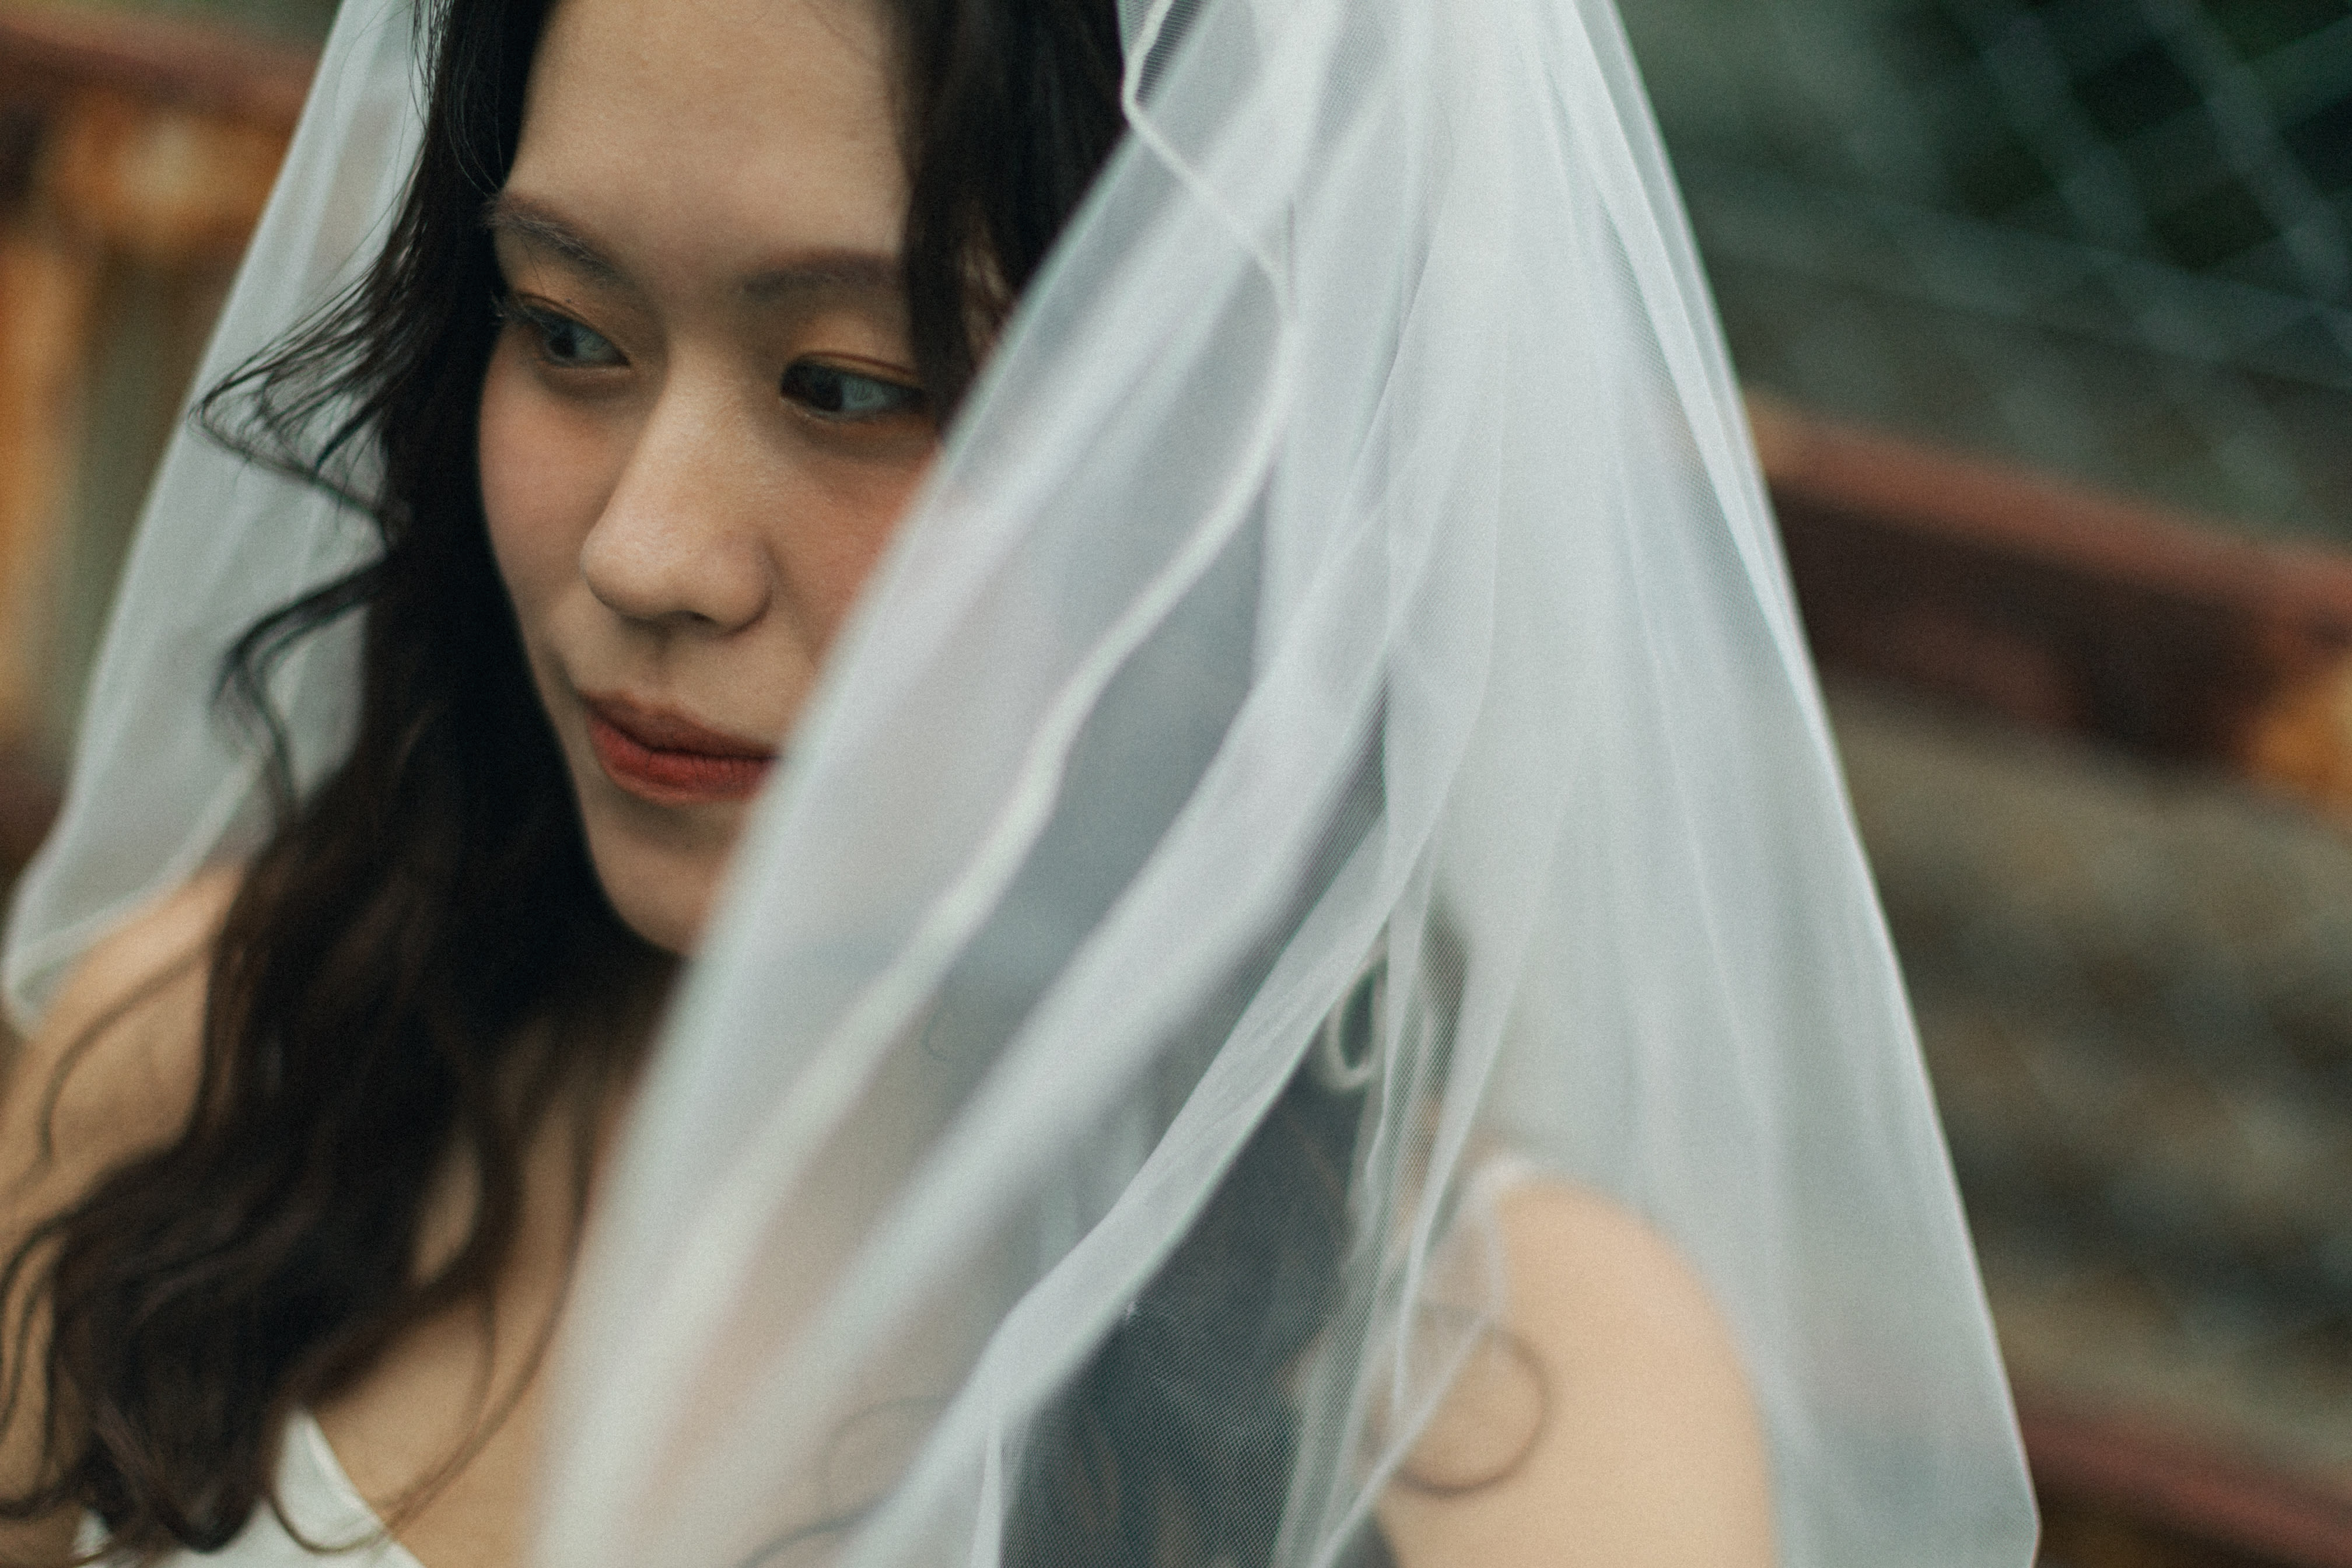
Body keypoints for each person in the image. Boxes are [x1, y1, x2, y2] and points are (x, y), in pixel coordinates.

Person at [0, 0, 2042, 1560]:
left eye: (849, 386)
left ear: (1228, 453)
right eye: (568, 332)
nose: (645, 553)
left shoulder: (1499, 1418)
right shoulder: (210, 1078)